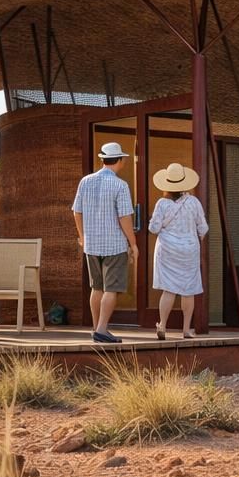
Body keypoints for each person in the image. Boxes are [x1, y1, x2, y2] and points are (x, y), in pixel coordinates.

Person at [72, 141, 137, 344]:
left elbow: (77, 211)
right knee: (111, 289)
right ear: (119, 160)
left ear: (103, 159)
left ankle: (96, 328)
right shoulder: (120, 185)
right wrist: (133, 244)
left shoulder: (85, 181)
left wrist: (83, 237)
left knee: (96, 287)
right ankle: (102, 329)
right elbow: (124, 217)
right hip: (114, 245)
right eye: (123, 159)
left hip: (91, 244)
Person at [148, 162, 209, 341]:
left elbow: (153, 228)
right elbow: (203, 228)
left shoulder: (162, 203)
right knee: (188, 290)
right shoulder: (193, 202)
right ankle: (185, 329)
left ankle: (163, 326)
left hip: (167, 250)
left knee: (168, 289)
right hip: (189, 250)